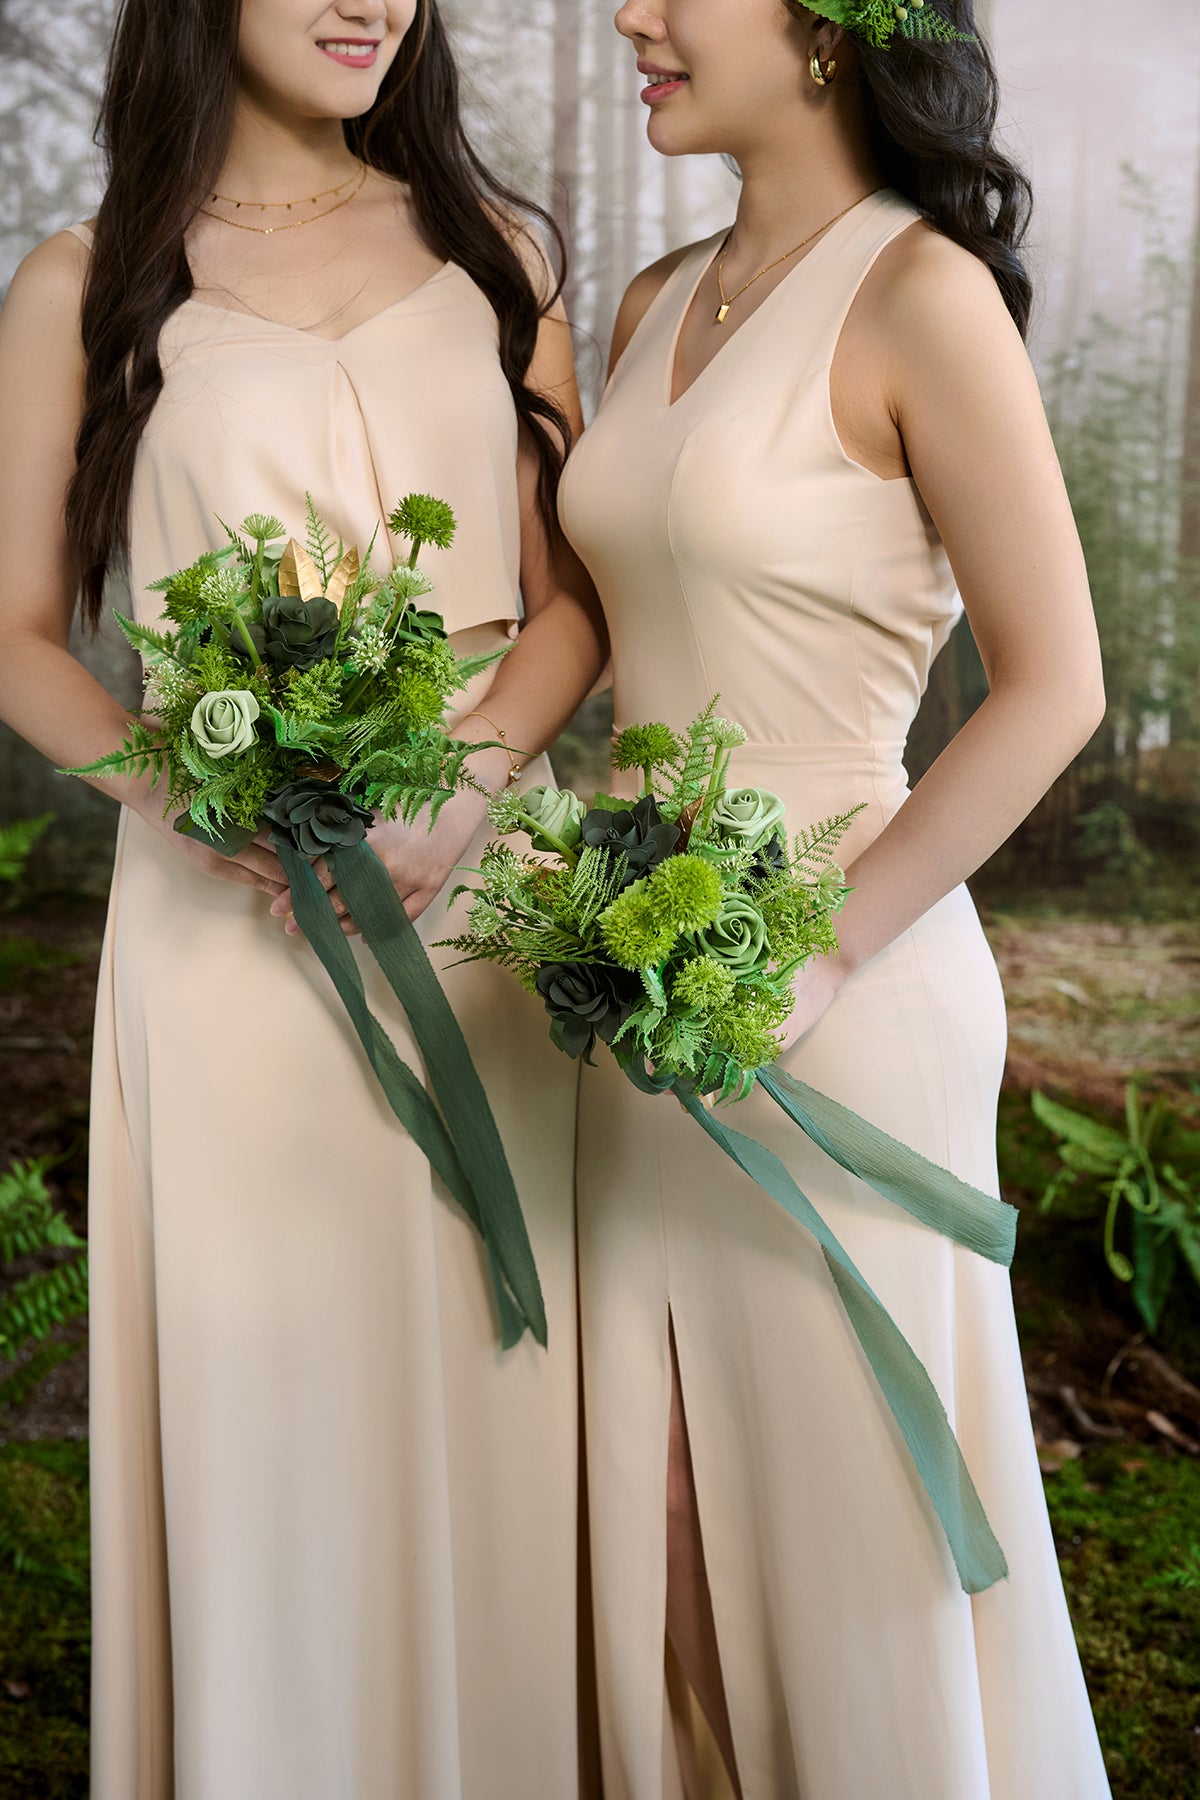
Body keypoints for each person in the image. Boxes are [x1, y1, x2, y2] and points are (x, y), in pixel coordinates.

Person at [0, 0, 606, 1793]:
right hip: (226, 938)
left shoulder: (497, 252)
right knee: (276, 1417)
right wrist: (189, 800)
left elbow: (578, 601)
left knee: (494, 1394)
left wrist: (473, 786)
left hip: (484, 907)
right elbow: (22, 640)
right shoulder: (87, 277)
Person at [558, 1, 1111, 1795]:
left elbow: (1055, 685)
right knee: (658, 1525)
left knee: (830, 1523)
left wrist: (817, 949)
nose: (632, 15)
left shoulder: (921, 297)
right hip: (626, 958)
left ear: (823, 26)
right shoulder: (654, 303)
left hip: (837, 979)